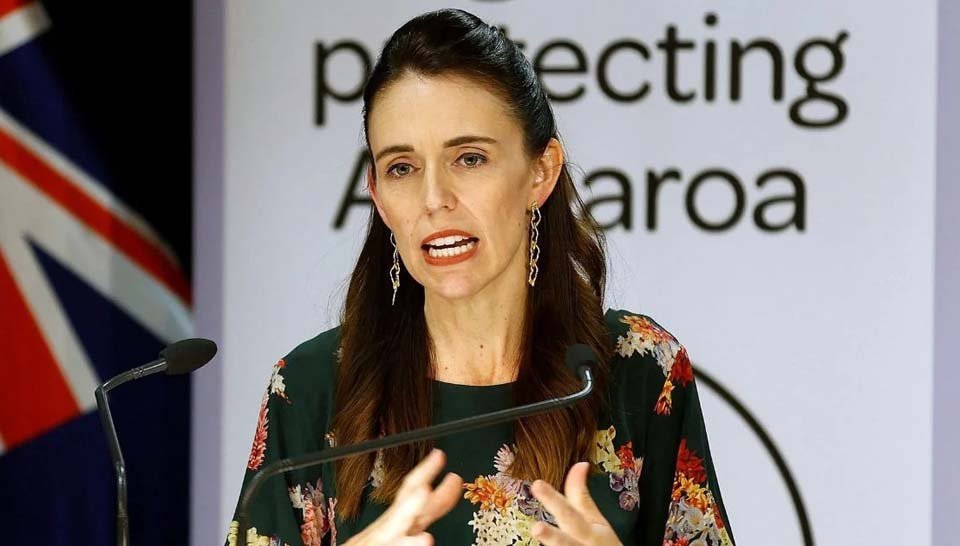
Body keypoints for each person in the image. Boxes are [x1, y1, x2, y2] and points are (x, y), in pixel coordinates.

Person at [226, 8, 733, 546]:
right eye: (402, 168)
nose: (434, 199)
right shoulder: (309, 387)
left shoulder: (639, 368)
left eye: (469, 159)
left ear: (540, 172)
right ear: (377, 195)